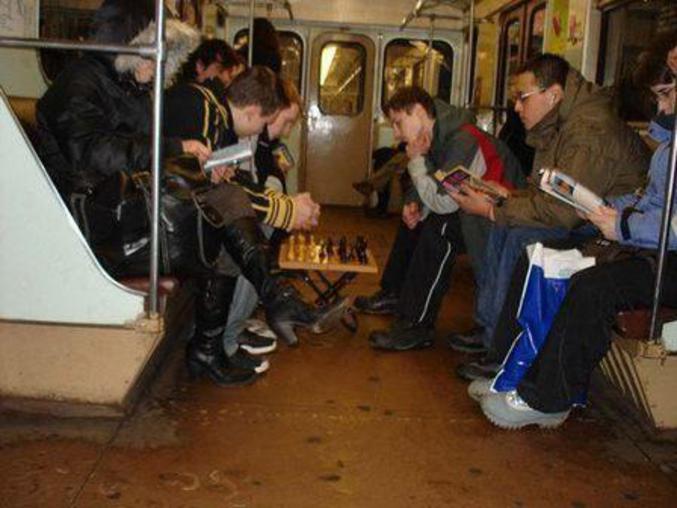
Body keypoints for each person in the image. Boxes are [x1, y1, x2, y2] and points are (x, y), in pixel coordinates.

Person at [36, 0, 343, 388]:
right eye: (151, 55)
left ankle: (234, 329)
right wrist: (178, 149)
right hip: (95, 217)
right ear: (127, 46)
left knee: (226, 210)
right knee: (225, 211)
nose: (156, 66)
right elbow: (92, 155)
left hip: (126, 205)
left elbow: (146, 152)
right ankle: (246, 319)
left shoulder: (129, 86)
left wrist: (194, 162)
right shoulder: (78, 86)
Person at [475, 42, 677, 429]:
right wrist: (609, 208)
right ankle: (510, 371)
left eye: (666, 96)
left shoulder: (594, 132)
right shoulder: (668, 143)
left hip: (664, 253)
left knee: (591, 286)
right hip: (651, 244)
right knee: (544, 254)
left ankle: (549, 399)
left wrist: (624, 225)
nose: (662, 108)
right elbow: (653, 200)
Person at [448, 54, 650, 379]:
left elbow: (564, 214)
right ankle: (490, 327)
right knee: (505, 224)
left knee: (520, 236)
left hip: (606, 228)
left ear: (553, 94)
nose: (516, 107)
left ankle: (506, 350)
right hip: (583, 216)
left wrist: (491, 209)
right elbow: (548, 194)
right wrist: (505, 196)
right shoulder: (557, 125)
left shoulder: (589, 133)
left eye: (522, 98)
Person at [354, 86, 524, 351]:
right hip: (478, 206)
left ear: (420, 112)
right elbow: (436, 183)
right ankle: (395, 294)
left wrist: (417, 161)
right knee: (416, 221)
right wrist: (415, 205)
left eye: (398, 124)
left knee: (441, 228)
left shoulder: (463, 141)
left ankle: (416, 325)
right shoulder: (438, 138)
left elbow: (444, 201)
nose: (397, 134)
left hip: (504, 215)